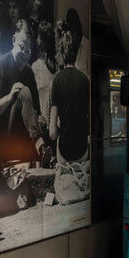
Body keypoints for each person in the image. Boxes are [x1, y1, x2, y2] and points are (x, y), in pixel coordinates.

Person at [0, 19, 53, 167]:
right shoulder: (0, 66)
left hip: (24, 135)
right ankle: (40, 146)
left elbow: (36, 109)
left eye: (29, 51)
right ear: (13, 40)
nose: (25, 54)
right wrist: (9, 98)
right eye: (22, 47)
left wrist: (41, 120)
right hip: (5, 136)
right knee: (23, 91)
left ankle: (43, 151)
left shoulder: (29, 71)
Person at [49, 31, 90, 163]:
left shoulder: (57, 80)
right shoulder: (85, 80)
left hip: (64, 149)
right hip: (82, 148)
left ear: (61, 53)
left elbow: (52, 133)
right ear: (77, 53)